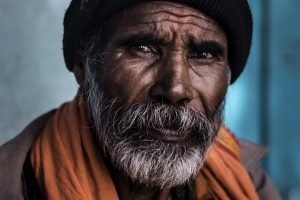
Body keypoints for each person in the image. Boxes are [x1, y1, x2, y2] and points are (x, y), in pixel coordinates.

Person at [0, 0, 282, 199]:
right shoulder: (15, 184)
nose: (175, 89)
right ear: (83, 67)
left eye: (204, 54)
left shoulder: (246, 181)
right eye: (142, 48)